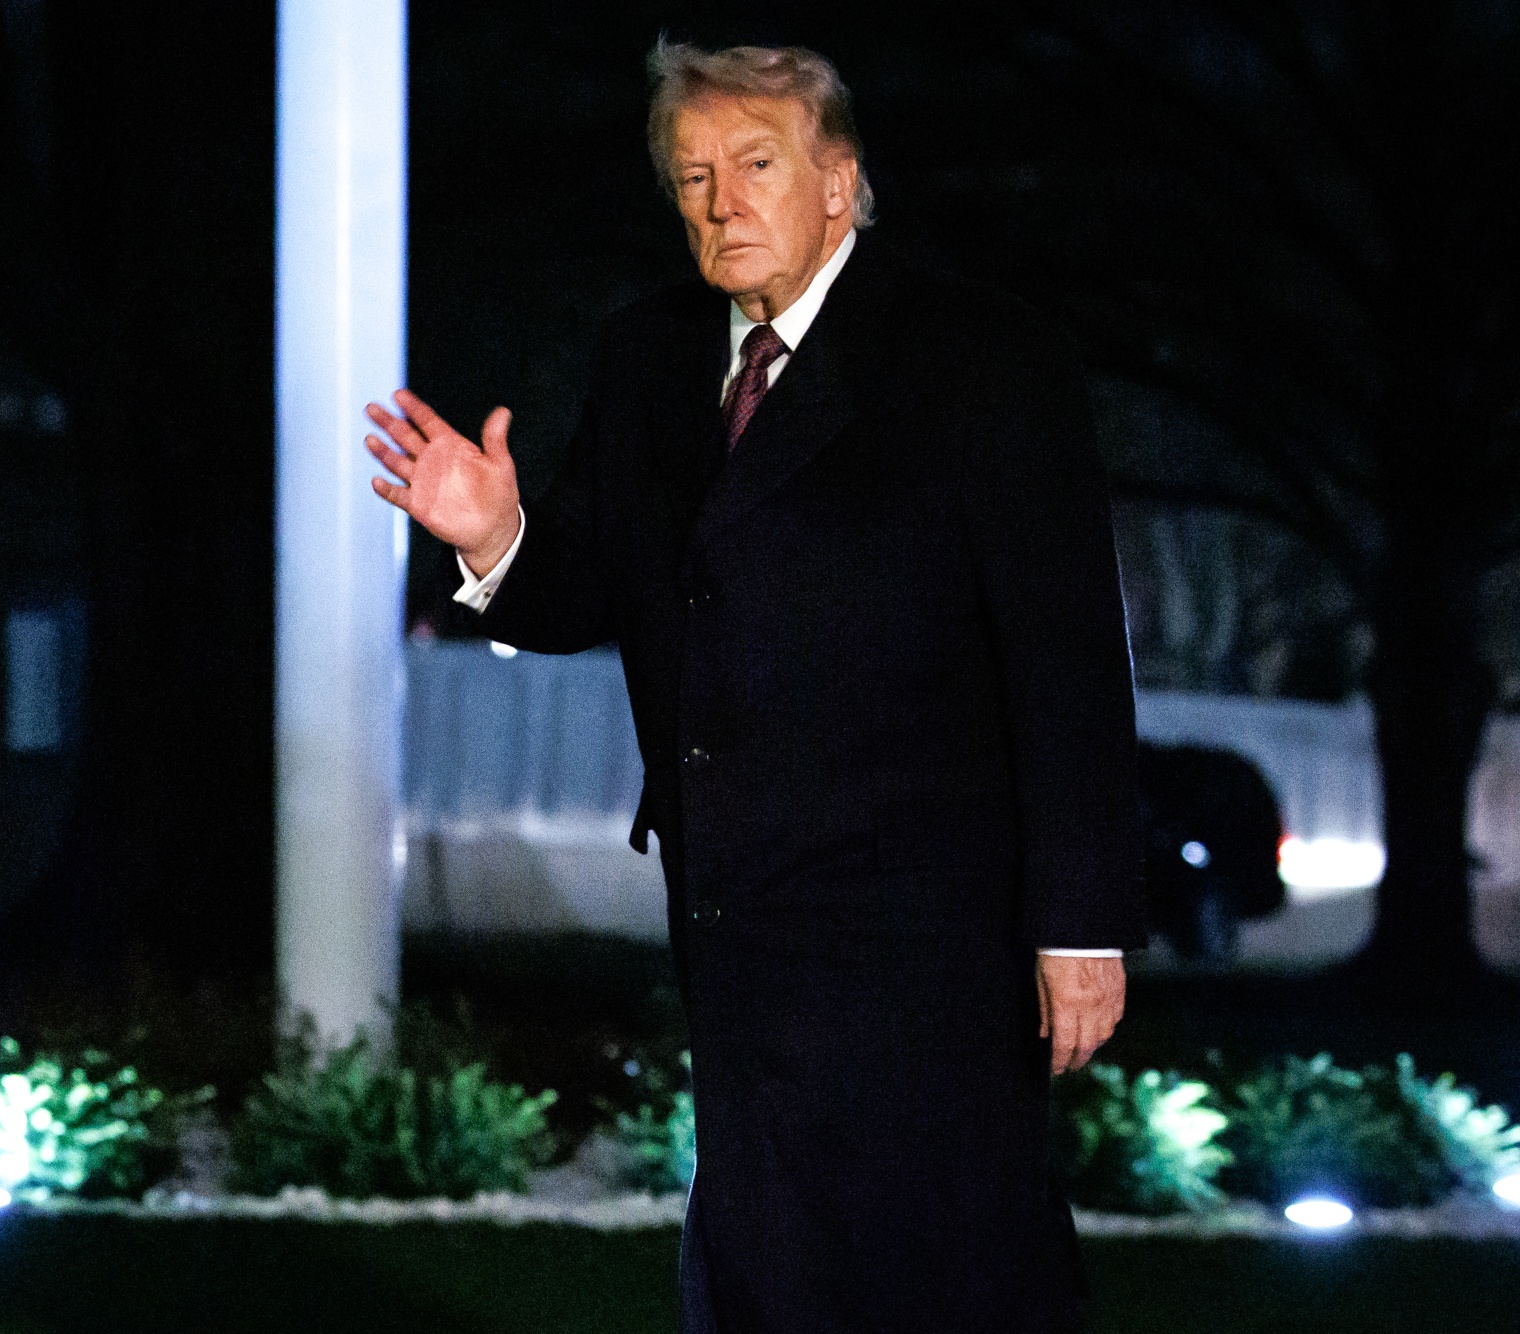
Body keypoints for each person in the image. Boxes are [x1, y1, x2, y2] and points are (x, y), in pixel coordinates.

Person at [365, 40, 1144, 1333]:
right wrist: (493, 538)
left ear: (838, 182)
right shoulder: (648, 360)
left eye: (755, 165)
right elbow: (597, 592)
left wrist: (1080, 921)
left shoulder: (979, 361)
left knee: (954, 1262)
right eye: (692, 176)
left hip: (932, 925)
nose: (721, 201)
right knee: (764, 1257)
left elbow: (1066, 656)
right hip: (737, 913)